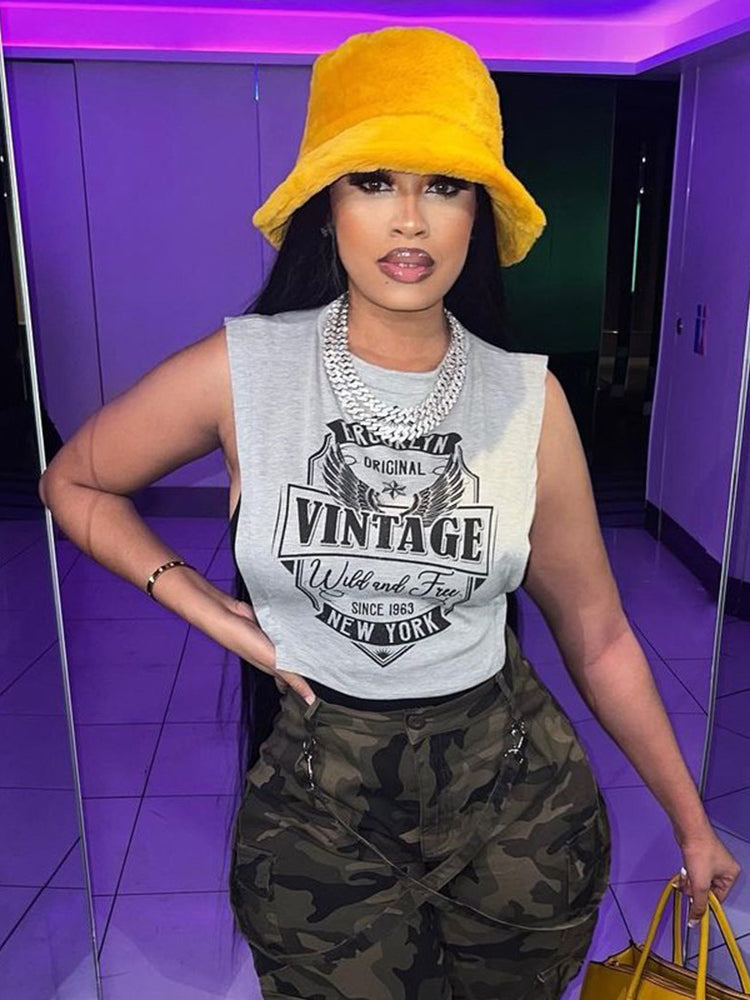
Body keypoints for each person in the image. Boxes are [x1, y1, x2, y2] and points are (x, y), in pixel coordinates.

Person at [38, 23, 738, 1000]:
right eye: (373, 180)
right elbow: (73, 482)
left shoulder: (527, 401)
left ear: (478, 213)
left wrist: (692, 822)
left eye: (443, 185)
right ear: (327, 205)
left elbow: (601, 634)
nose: (409, 219)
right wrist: (211, 609)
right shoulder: (244, 371)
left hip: (519, 822)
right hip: (318, 831)